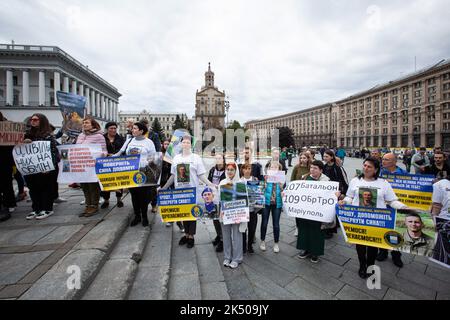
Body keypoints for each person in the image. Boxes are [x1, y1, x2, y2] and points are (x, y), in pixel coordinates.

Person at [338, 157, 410, 279]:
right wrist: (344, 201)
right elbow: (349, 197)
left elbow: (392, 201)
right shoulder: (355, 181)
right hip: (359, 219)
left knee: (372, 246)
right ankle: (362, 265)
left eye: (369, 166)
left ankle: (370, 265)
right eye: (365, 165)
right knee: (360, 245)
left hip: (376, 220)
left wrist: (404, 207)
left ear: (376, 169)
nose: (366, 168)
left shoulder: (384, 183)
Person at [161, 134, 216, 248]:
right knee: (184, 214)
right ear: (180, 144)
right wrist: (164, 188)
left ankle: (191, 237)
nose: (185, 144)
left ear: (191, 144)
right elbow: (172, 175)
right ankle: (186, 234)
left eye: (188, 142)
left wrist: (210, 184)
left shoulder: (196, 158)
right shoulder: (176, 158)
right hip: (180, 192)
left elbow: (201, 175)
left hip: (192, 191)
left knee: (192, 214)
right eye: (184, 142)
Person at [115, 122, 156, 227]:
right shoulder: (129, 140)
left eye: (135, 128)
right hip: (131, 172)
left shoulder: (149, 142)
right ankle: (137, 216)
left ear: (141, 131)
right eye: (132, 128)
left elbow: (153, 158)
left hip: (144, 173)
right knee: (134, 195)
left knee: (143, 196)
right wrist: (105, 158)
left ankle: (145, 217)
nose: (132, 130)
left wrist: (148, 168)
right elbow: (119, 153)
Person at [23, 114, 59, 220]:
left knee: (46, 188)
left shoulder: (48, 135)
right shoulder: (27, 134)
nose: (32, 121)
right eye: (31, 120)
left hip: (46, 167)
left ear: (41, 121)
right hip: (32, 167)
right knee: (33, 188)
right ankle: (36, 209)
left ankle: (47, 208)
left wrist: (49, 166)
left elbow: (53, 152)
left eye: (35, 120)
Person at [296, 160, 334, 263]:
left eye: (315, 168)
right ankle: (305, 249)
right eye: (311, 167)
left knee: (316, 232)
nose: (312, 170)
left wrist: (336, 195)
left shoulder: (326, 181)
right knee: (304, 230)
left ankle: (315, 253)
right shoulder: (304, 178)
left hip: (318, 212)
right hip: (305, 211)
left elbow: (329, 196)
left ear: (321, 170)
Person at [377, 152, 407, 267]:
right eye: (383, 159)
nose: (383, 161)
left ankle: (396, 255)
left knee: (396, 231)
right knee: (382, 229)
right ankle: (383, 251)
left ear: (394, 161)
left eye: (387, 160)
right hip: (382, 206)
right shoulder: (379, 172)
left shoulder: (403, 173)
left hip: (396, 206)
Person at [76, 117, 107, 217]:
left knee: (93, 186)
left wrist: (100, 155)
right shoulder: (80, 135)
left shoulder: (99, 136)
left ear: (93, 125)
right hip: (82, 165)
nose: (84, 124)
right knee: (84, 186)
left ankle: (94, 205)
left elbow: (104, 151)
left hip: (92, 166)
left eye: (87, 123)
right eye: (83, 123)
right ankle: (88, 205)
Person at [219, 162, 245, 269]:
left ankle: (237, 258)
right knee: (226, 235)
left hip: (237, 214)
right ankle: (227, 256)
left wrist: (241, 215)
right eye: (228, 169)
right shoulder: (222, 182)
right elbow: (219, 199)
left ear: (236, 171)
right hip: (225, 213)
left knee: (237, 236)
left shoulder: (240, 183)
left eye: (232, 170)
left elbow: (243, 200)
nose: (230, 171)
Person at [322, 150, 348, 239]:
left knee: (333, 210)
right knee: (328, 210)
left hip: (337, 192)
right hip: (326, 192)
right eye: (324, 156)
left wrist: (344, 193)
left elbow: (344, 180)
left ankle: (331, 230)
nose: (324, 158)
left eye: (326, 156)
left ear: (332, 157)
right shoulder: (324, 167)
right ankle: (329, 227)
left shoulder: (338, 167)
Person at [260, 161, 284, 254]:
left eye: (276, 167)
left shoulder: (281, 179)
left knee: (276, 224)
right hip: (266, 203)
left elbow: (284, 192)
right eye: (271, 167)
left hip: (277, 204)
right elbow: (260, 190)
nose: (273, 169)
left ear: (279, 170)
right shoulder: (265, 178)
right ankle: (262, 241)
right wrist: (263, 185)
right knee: (264, 223)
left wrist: (283, 190)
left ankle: (276, 243)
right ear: (268, 169)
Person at [161, 139, 185, 232]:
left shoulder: (175, 156)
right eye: (165, 144)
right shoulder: (160, 155)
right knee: (168, 202)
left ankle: (179, 223)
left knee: (176, 201)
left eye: (168, 144)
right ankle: (170, 220)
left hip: (174, 181)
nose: (166, 145)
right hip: (163, 181)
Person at [100, 122, 125, 209]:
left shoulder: (120, 138)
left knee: (118, 182)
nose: (113, 130)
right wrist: (107, 154)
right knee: (106, 182)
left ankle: (119, 199)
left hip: (117, 164)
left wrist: (115, 154)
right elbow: (99, 148)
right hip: (105, 164)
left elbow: (123, 149)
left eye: (115, 128)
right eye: (111, 128)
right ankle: (106, 200)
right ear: (107, 129)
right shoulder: (102, 138)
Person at [207, 154, 227, 252]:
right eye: (216, 158)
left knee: (221, 220)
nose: (218, 160)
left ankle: (223, 240)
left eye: (220, 158)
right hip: (213, 198)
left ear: (223, 160)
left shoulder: (227, 170)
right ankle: (219, 236)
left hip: (222, 198)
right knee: (214, 219)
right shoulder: (212, 170)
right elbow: (208, 182)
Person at [240, 163, 260, 254]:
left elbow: (259, 193)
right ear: (242, 170)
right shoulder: (240, 181)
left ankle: (250, 245)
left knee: (252, 228)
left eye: (249, 168)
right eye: (245, 168)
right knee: (243, 228)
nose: (247, 170)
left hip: (253, 209)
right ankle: (243, 246)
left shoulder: (255, 180)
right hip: (243, 209)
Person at [0, 112, 16, 222]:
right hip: (5, 159)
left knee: (6, 183)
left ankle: (7, 204)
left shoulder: (6, 129)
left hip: (4, 161)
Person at [291, 152, 311, 237]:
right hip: (298, 193)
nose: (302, 159)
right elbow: (292, 179)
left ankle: (305, 228)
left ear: (308, 159)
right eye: (301, 158)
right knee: (298, 212)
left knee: (306, 211)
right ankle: (298, 227)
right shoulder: (296, 167)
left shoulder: (310, 168)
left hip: (308, 194)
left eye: (304, 158)